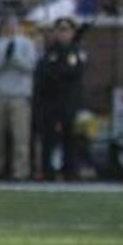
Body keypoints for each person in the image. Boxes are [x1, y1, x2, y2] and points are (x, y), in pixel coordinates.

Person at [35, 18, 89, 181]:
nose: (62, 33)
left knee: (70, 139)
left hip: (69, 102)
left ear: (72, 32)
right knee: (48, 139)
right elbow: (42, 74)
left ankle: (70, 172)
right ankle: (47, 172)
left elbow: (72, 73)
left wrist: (56, 73)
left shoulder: (76, 52)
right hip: (50, 102)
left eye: (66, 30)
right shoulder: (49, 52)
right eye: (59, 29)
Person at [0, 15, 38, 180]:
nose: (11, 28)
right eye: (8, 25)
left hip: (20, 96)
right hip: (0, 94)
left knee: (21, 137)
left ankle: (21, 171)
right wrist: (4, 59)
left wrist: (15, 58)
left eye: (13, 25)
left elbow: (30, 66)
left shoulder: (27, 44)